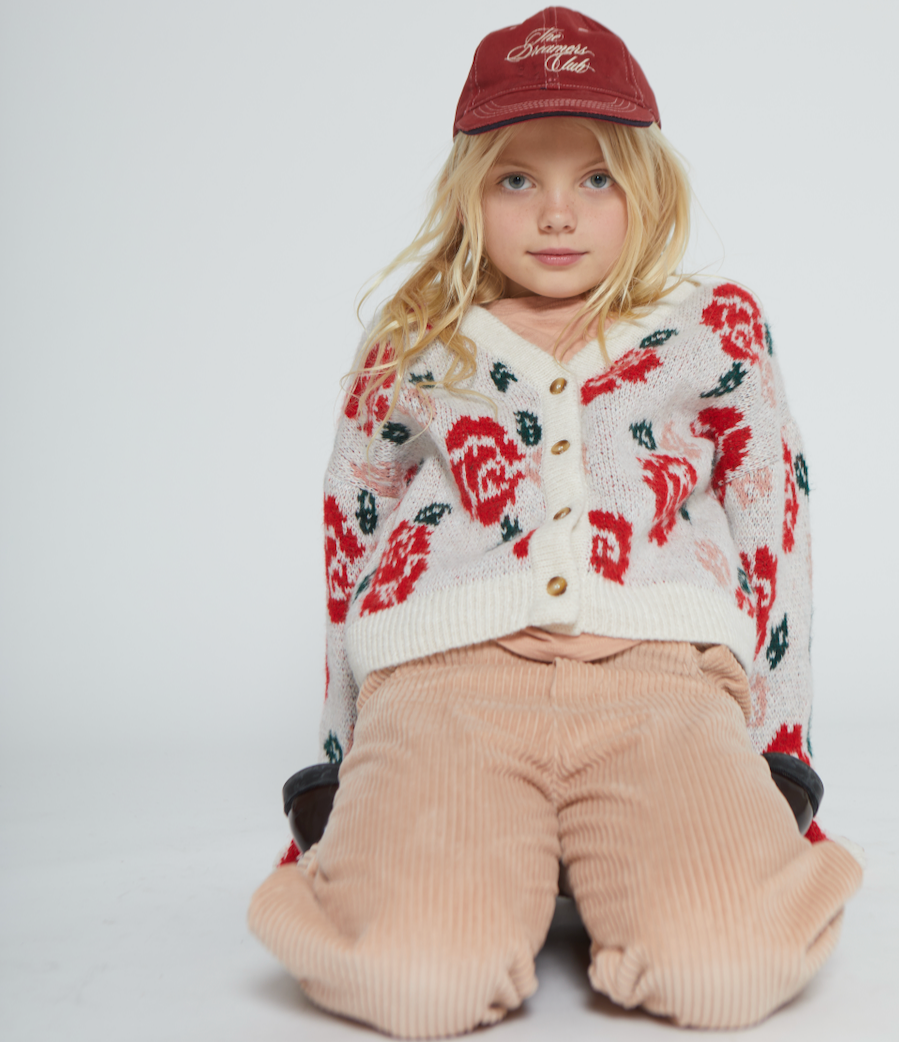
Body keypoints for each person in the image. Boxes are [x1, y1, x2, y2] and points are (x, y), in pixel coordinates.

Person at [248, 8, 863, 1037]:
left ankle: (605, 868)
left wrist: (779, 745)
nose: (556, 215)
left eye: (596, 177)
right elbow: (352, 536)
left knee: (723, 967)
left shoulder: (712, 333)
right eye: (516, 179)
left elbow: (774, 526)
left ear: (645, 187)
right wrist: (335, 760)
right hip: (445, 687)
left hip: (660, 687)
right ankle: (486, 871)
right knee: (414, 979)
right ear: (469, 193)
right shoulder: (413, 340)